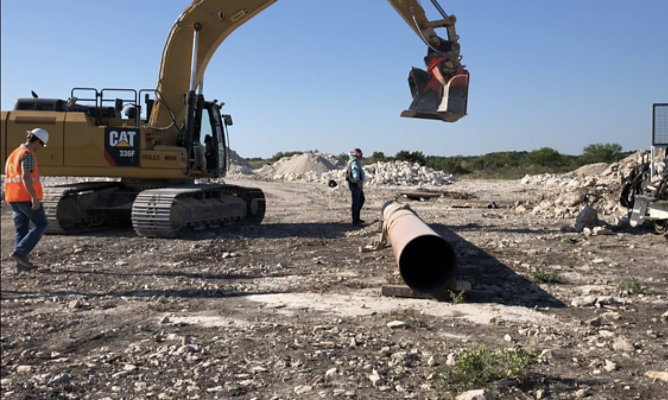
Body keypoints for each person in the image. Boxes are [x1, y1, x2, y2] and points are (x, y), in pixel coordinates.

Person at [4, 128, 50, 273]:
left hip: (13, 197)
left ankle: (21, 266)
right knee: (42, 223)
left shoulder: (14, 153)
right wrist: (34, 198)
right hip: (25, 197)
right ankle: (21, 252)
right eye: (41, 145)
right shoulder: (27, 155)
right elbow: (25, 176)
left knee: (22, 229)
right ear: (37, 141)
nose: (40, 148)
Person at [346, 148, 366, 225]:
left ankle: (357, 218)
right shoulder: (354, 162)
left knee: (361, 199)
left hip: (355, 183)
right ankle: (355, 220)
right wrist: (358, 182)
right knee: (357, 201)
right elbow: (355, 172)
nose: (361, 156)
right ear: (357, 154)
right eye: (360, 154)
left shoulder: (354, 160)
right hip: (355, 184)